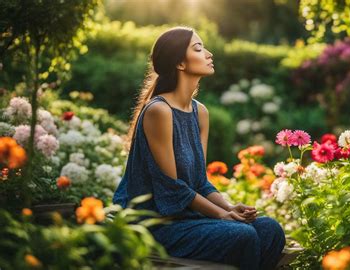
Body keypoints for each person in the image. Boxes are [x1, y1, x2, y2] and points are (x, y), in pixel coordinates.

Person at [112, 26, 286, 270]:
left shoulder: (200, 112)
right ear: (180, 63)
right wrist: (221, 215)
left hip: (187, 218)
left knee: (270, 229)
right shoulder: (158, 111)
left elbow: (199, 182)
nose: (209, 53)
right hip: (156, 224)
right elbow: (172, 188)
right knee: (242, 236)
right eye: (198, 48)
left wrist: (228, 207)